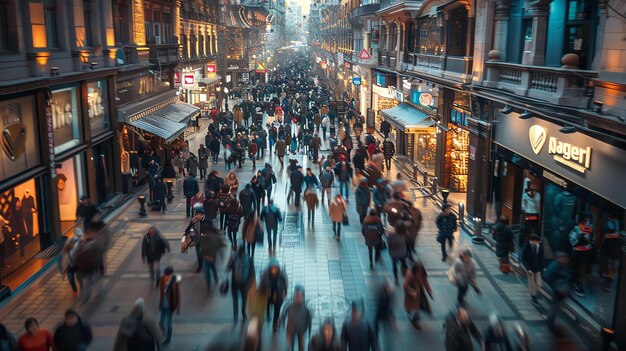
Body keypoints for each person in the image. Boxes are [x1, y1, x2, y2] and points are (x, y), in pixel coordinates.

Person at [227, 241, 255, 324]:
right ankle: (243, 313)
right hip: (244, 283)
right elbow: (252, 272)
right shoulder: (248, 258)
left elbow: (228, 268)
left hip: (235, 283)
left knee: (235, 300)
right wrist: (252, 282)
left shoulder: (234, 257)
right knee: (244, 299)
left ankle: (235, 316)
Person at [544, 252, 572, 329]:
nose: (564, 260)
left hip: (563, 290)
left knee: (556, 306)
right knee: (555, 307)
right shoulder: (554, 265)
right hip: (557, 291)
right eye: (562, 258)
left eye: (565, 258)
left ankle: (550, 319)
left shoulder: (565, 265)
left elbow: (567, 276)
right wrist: (556, 287)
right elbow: (547, 276)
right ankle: (550, 324)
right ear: (557, 258)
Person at [198, 221, 227, 291]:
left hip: (206, 256)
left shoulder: (205, 236)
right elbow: (222, 247)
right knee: (212, 267)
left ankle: (209, 284)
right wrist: (222, 257)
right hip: (212, 257)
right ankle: (216, 279)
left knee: (207, 270)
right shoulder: (217, 237)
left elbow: (201, 244)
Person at [403, 261, 433, 330]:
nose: (419, 272)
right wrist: (413, 292)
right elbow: (405, 286)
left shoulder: (422, 273)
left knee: (422, 305)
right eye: (418, 270)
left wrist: (429, 291)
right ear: (415, 269)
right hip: (412, 295)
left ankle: (415, 314)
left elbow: (425, 282)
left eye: (420, 270)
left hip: (420, 293)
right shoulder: (410, 274)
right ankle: (414, 321)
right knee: (414, 309)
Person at [261, 258, 288, 332]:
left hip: (278, 297)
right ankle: (268, 313)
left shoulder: (282, 275)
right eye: (272, 268)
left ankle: (274, 324)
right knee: (267, 305)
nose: (273, 270)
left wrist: (284, 293)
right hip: (268, 295)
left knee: (277, 310)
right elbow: (262, 285)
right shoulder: (265, 275)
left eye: (275, 268)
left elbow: (285, 285)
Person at [158, 266, 180, 345]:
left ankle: (168, 338)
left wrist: (178, 307)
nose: (167, 277)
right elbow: (161, 293)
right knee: (160, 323)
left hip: (170, 306)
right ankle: (164, 334)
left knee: (168, 323)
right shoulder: (162, 279)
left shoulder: (175, 281)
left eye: (168, 275)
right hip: (163, 305)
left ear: (172, 274)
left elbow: (178, 294)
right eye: (166, 275)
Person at [521, 234, 545, 308]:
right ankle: (533, 297)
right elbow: (523, 259)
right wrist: (528, 269)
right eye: (537, 241)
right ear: (532, 240)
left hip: (538, 267)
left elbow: (541, 256)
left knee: (539, 283)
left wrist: (543, 267)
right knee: (531, 283)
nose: (538, 243)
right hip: (530, 269)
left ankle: (537, 292)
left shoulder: (539, 246)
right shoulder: (527, 246)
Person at [61, 228, 84, 298]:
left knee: (79, 277)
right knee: (71, 279)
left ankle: (81, 286)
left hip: (77, 264)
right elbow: (63, 256)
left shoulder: (81, 242)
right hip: (69, 265)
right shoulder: (69, 242)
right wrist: (63, 270)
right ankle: (74, 290)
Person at [387, 220, 409, 284]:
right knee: (404, 264)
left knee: (394, 265)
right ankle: (406, 275)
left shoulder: (391, 234)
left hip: (393, 253)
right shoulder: (405, 234)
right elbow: (407, 241)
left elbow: (389, 243)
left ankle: (396, 278)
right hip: (402, 252)